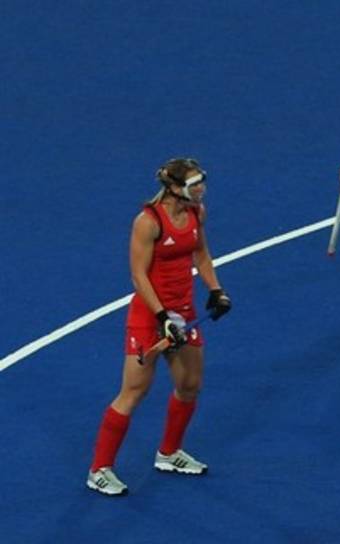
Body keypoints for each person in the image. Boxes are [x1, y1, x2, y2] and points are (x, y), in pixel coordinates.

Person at [86, 158, 232, 496]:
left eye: (202, 181)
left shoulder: (196, 212)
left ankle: (168, 453)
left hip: (184, 313)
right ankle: (99, 469)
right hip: (150, 316)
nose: (202, 188)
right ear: (175, 188)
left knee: (190, 385)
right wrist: (163, 318)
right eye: (195, 184)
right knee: (134, 391)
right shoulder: (148, 222)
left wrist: (216, 290)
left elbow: (201, 255)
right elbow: (138, 276)